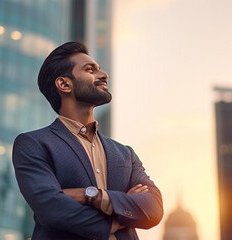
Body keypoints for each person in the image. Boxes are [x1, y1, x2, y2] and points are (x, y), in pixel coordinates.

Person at [12, 42, 163, 240]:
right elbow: (51, 208)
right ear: (64, 84)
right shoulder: (34, 144)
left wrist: (90, 195)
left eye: (99, 69)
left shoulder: (124, 153)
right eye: (90, 69)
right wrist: (120, 216)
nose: (103, 75)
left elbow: (153, 208)